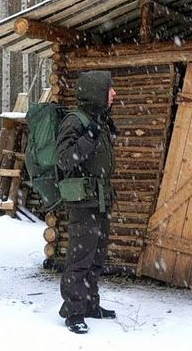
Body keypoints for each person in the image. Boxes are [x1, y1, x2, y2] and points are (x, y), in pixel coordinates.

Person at [55, 70, 118, 334]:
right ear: (95, 92)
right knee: (80, 258)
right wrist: (89, 137)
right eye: (109, 89)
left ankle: (90, 304)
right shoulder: (75, 122)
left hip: (99, 199)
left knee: (96, 256)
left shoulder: (97, 119)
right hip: (82, 202)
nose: (114, 93)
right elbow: (64, 159)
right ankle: (73, 311)